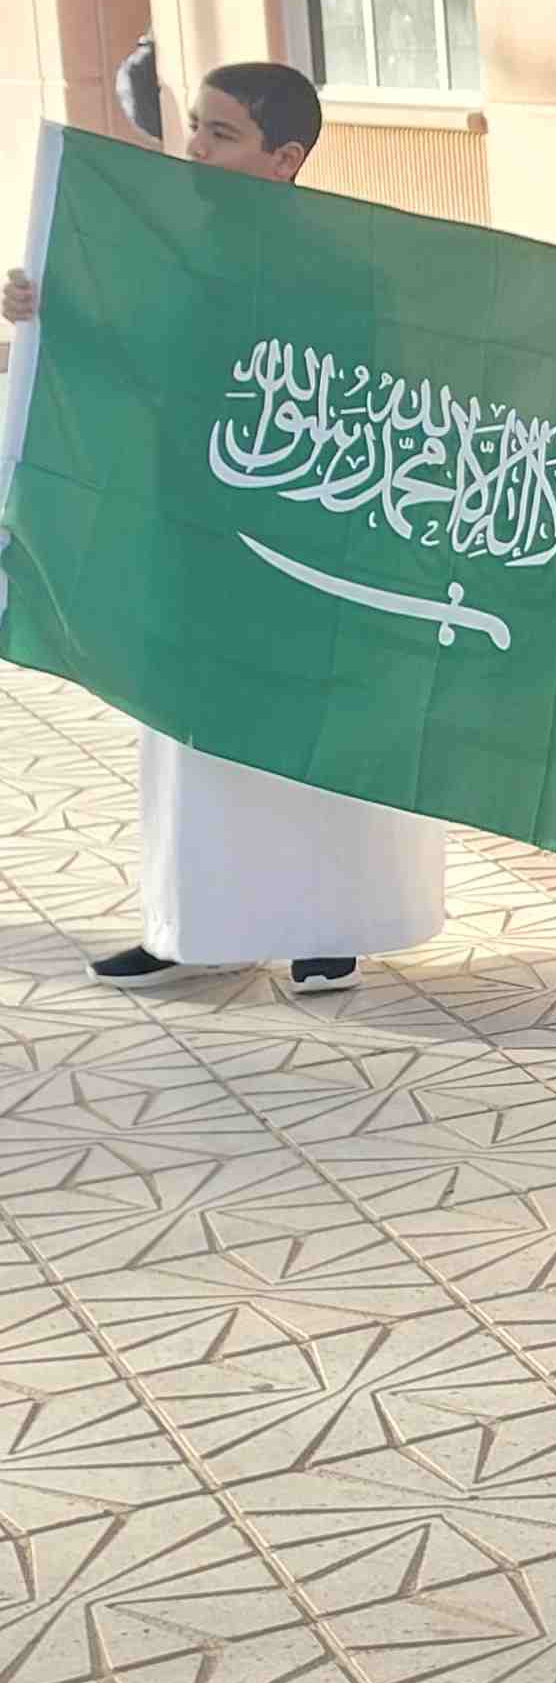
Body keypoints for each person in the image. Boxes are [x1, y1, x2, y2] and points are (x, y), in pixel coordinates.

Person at [3, 63, 447, 991]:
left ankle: (329, 927)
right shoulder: (175, 251)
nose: (195, 149)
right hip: (193, 536)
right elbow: (146, 368)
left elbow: (355, 416)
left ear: (286, 158)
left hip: (303, 545)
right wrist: (51, 318)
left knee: (309, 737)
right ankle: (196, 926)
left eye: (221, 133)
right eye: (196, 127)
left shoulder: (343, 268)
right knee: (193, 739)